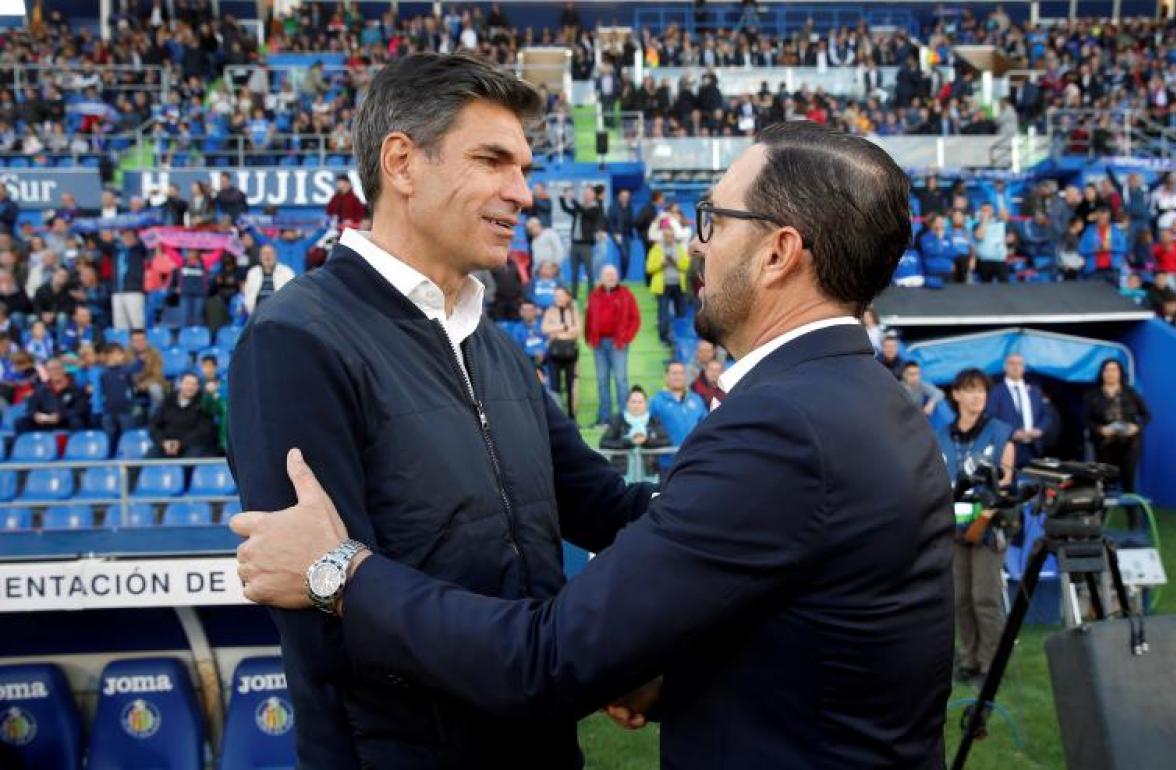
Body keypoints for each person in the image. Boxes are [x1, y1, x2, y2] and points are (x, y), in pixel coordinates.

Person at [232, 123, 954, 769]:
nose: (695, 241)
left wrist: (337, 573)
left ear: (777, 253)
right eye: (493, 160)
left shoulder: (785, 426)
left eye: (713, 220)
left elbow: (546, 658)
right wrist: (653, 662)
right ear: (401, 163)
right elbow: (691, 547)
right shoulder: (867, 399)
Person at [226, 53, 656, 770]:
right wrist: (547, 661)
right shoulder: (294, 340)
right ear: (401, 163)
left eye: (523, 167)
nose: (522, 193)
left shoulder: (492, 345)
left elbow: (608, 509)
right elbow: (326, 626)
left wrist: (750, 500)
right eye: (493, 160)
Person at [934, 367, 1015, 687]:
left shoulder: (1000, 431)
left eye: (981, 390)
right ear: (956, 395)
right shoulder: (939, 435)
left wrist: (985, 505)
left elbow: (1006, 478)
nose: (976, 396)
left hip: (988, 525)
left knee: (985, 597)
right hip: (952, 526)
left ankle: (990, 664)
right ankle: (967, 658)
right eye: (969, 390)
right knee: (960, 598)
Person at [1083, 359, 1149, 497]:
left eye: (1114, 370)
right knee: (1103, 483)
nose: (1110, 373)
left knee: (1129, 484)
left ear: (1120, 373)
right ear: (1102, 373)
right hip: (1104, 446)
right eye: (1107, 370)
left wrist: (1136, 427)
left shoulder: (1130, 393)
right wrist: (1100, 429)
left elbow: (1147, 415)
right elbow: (1086, 419)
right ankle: (1101, 516)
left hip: (1129, 445)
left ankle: (1133, 517)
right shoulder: (1092, 395)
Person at [584, 264, 639, 426]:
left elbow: (635, 319)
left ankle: (623, 418)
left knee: (621, 381)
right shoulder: (594, 295)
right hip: (599, 344)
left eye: (613, 275)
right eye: (607, 275)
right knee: (602, 381)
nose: (611, 278)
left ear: (618, 277)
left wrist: (624, 339)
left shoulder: (626, 294)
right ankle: (604, 418)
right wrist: (589, 337)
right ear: (601, 278)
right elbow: (588, 317)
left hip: (618, 344)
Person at [986, 353, 1058, 471]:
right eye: (1012, 363)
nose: (1016, 367)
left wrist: (1040, 430)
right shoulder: (996, 392)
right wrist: (1012, 433)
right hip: (1007, 447)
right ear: (1005, 367)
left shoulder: (1034, 391)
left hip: (1033, 448)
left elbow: (1047, 415)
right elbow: (990, 418)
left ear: (1024, 368)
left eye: (1019, 364)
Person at [599, 385, 671, 477]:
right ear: (627, 403)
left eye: (640, 402)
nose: (636, 405)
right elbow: (604, 443)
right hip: (622, 475)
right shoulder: (618, 420)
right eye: (633, 402)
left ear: (646, 404)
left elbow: (666, 441)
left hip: (650, 475)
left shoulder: (654, 421)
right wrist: (628, 442)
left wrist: (647, 441)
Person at [147, 373, 219, 458]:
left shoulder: (203, 404)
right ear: (180, 384)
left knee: (192, 459)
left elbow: (203, 431)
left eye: (194, 384)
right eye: (187, 383)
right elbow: (154, 426)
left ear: (198, 387)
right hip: (166, 445)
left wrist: (180, 443)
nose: (190, 387)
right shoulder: (167, 402)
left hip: (192, 446)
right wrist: (163, 442)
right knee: (148, 459)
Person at [16, 358, 90, 433]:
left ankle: (77, 444)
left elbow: (80, 409)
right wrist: (36, 415)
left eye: (58, 368)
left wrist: (60, 416)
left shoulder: (75, 387)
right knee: (21, 422)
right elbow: (31, 408)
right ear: (47, 372)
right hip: (45, 421)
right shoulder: (40, 389)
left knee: (76, 421)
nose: (55, 372)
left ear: (63, 369)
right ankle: (26, 444)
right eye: (51, 369)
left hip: (65, 420)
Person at [647, 224, 690, 346]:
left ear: (674, 237)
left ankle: (680, 338)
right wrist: (661, 264)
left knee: (681, 313)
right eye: (666, 236)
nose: (669, 238)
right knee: (663, 314)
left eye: (671, 236)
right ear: (662, 237)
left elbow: (686, 266)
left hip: (679, 285)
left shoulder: (680, 248)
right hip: (663, 286)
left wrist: (677, 262)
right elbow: (649, 268)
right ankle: (664, 338)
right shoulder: (656, 249)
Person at [560, 185, 605, 299]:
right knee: (574, 273)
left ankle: (591, 296)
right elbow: (567, 209)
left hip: (586, 245)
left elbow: (585, 212)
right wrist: (562, 198)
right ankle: (574, 297)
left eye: (589, 193)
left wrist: (573, 200)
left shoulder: (595, 208)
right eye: (585, 193)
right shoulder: (580, 207)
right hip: (575, 244)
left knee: (589, 272)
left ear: (594, 196)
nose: (586, 195)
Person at [542, 285, 580, 417]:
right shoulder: (550, 310)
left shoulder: (574, 311)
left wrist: (556, 332)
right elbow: (545, 329)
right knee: (555, 387)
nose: (557, 298)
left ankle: (572, 416)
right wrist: (564, 327)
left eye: (560, 295)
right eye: (556, 295)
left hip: (571, 353)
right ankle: (558, 415)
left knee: (571, 386)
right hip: (554, 353)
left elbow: (577, 331)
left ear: (567, 296)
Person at [110, 228, 148, 330]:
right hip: (117, 291)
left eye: (129, 236)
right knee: (119, 323)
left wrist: (137, 241)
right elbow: (103, 244)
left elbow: (144, 247)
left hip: (133, 291)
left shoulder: (138, 250)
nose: (126, 238)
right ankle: (122, 344)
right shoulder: (117, 251)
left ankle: (139, 344)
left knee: (137, 322)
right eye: (124, 236)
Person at [243, 244, 295, 315]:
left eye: (270, 253)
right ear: (260, 257)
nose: (267, 256)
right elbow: (247, 294)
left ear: (276, 256)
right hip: (257, 314)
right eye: (264, 253)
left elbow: (292, 295)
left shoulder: (287, 271)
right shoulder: (252, 272)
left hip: (279, 314)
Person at [973, 202, 1011, 283]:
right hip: (984, 262)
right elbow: (979, 236)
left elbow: (1009, 238)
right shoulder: (976, 224)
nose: (986, 212)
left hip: (1000, 260)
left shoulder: (1000, 223)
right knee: (985, 289)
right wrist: (984, 222)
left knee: (1005, 288)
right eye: (984, 210)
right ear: (980, 212)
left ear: (992, 211)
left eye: (988, 210)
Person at [173, 249, 210, 329]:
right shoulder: (182, 262)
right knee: (183, 316)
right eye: (188, 251)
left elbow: (217, 255)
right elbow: (170, 253)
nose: (190, 253)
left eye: (193, 251)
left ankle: (197, 337)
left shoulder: (204, 263)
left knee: (198, 317)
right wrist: (161, 239)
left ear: (197, 253)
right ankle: (183, 336)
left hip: (199, 294)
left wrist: (223, 243)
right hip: (185, 293)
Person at [607, 188, 634, 279]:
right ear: (619, 197)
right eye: (623, 196)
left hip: (627, 235)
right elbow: (610, 222)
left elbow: (631, 222)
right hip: (617, 234)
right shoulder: (613, 207)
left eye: (627, 196)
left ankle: (624, 276)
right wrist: (615, 233)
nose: (625, 198)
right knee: (624, 254)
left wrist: (632, 234)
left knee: (627, 256)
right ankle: (621, 276)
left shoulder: (629, 207)